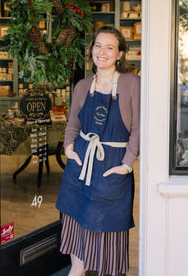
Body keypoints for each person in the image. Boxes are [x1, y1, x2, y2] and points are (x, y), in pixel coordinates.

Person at [56, 26, 140, 276]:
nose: (102, 52)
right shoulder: (82, 86)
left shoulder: (132, 83)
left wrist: (126, 164)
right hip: (80, 164)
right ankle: (77, 271)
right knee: (75, 223)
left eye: (109, 47)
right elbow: (73, 123)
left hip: (111, 165)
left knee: (109, 229)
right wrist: (69, 149)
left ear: (120, 54)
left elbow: (138, 129)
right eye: (97, 46)